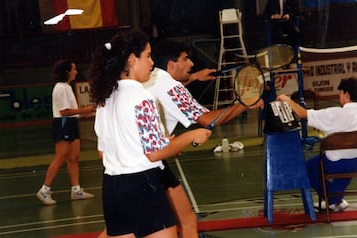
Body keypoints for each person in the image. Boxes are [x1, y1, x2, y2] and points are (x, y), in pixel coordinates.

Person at [89, 31, 211, 238]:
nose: (152, 62)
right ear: (131, 60)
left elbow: (104, 153)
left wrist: (162, 142)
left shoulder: (105, 99)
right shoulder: (141, 97)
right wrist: (191, 136)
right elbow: (154, 153)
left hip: (113, 189)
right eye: (147, 56)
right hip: (144, 185)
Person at [143, 39, 264, 238]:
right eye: (186, 59)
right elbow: (209, 120)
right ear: (172, 65)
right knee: (148, 227)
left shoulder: (153, 76)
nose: (191, 64)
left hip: (142, 162)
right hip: (148, 165)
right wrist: (244, 104)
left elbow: (167, 88)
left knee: (184, 220)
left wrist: (195, 77)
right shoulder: (173, 88)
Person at [277, 77, 357, 212]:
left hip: (334, 164)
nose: (339, 96)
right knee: (348, 161)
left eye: (340, 93)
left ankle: (333, 199)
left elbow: (302, 113)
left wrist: (286, 99)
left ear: (346, 94)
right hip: (355, 163)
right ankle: (335, 200)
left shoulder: (333, 113)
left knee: (307, 169)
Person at [37, 60, 95, 205]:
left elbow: (70, 111)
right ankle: (44, 190)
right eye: (73, 69)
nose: (76, 72)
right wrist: (84, 110)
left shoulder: (67, 87)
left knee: (74, 157)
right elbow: (64, 111)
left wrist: (80, 115)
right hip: (63, 124)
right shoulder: (61, 88)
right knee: (61, 157)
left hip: (71, 123)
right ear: (67, 71)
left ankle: (76, 190)